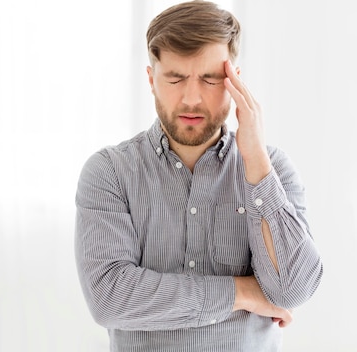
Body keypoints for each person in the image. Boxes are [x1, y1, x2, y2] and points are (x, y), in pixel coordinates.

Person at [73, 1, 323, 351]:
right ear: (151, 79)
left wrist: (255, 161)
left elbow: (292, 289)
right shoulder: (109, 173)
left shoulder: (273, 169)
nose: (191, 98)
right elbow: (110, 298)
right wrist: (243, 292)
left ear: (235, 79)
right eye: (175, 78)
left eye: (210, 79)